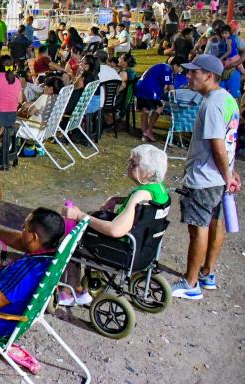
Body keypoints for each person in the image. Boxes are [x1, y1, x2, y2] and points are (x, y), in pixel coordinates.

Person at [61, 145, 170, 306]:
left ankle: (72, 290)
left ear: (149, 172)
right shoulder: (159, 190)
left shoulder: (140, 195)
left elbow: (116, 230)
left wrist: (80, 215)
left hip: (120, 248)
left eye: (133, 164)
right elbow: (141, 209)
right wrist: (117, 200)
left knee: (71, 240)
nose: (129, 166)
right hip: (144, 249)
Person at [172, 54, 241, 299]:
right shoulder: (229, 100)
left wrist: (227, 173)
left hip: (205, 177)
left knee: (198, 228)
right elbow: (229, 141)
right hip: (220, 178)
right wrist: (231, 172)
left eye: (194, 73)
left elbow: (217, 144)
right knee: (215, 222)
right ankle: (207, 273)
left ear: (208, 76)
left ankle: (191, 283)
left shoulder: (212, 104)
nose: (188, 76)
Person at [0, 208, 66, 338]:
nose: (22, 229)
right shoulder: (48, 255)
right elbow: (20, 241)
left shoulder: (26, 271)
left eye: (25, 228)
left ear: (34, 237)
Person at [134, 56, 185, 142]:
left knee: (145, 109)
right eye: (181, 68)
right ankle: (148, 130)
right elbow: (170, 86)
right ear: (176, 65)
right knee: (158, 107)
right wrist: (175, 98)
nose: (181, 71)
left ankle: (145, 133)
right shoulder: (167, 69)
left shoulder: (163, 67)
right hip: (149, 89)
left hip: (140, 87)